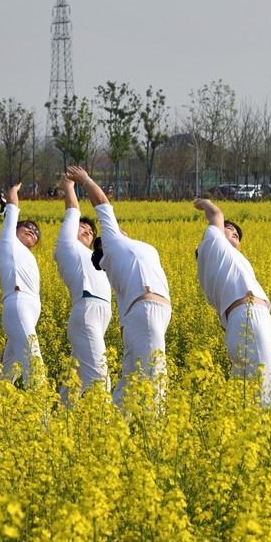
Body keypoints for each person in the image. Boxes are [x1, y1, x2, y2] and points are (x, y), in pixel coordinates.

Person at [67, 165, 170, 407]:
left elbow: (124, 322)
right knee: (155, 375)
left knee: (130, 379)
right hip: (148, 310)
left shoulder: (124, 260)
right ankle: (156, 432)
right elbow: (102, 203)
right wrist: (86, 180)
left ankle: (114, 426)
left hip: (144, 313)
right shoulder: (112, 245)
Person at [194, 197, 271, 410]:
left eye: (237, 234)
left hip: (242, 321)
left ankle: (240, 434)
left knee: (246, 386)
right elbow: (216, 215)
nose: (235, 232)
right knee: (265, 387)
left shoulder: (221, 265)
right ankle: (267, 435)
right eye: (229, 228)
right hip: (249, 316)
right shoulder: (212, 245)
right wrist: (205, 202)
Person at [53, 171, 111, 396]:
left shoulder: (96, 258)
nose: (87, 232)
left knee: (74, 383)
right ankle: (107, 427)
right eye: (82, 228)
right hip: (87, 309)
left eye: (90, 231)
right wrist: (69, 188)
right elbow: (73, 211)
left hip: (99, 314)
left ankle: (61, 421)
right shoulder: (67, 246)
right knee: (100, 379)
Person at [0, 182, 43, 398]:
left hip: (28, 310)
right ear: (15, 229)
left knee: (9, 369)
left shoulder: (29, 256)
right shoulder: (8, 241)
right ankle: (43, 416)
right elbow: (12, 210)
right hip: (18, 303)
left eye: (36, 231)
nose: (31, 230)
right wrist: (13, 192)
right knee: (33, 361)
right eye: (26, 226)